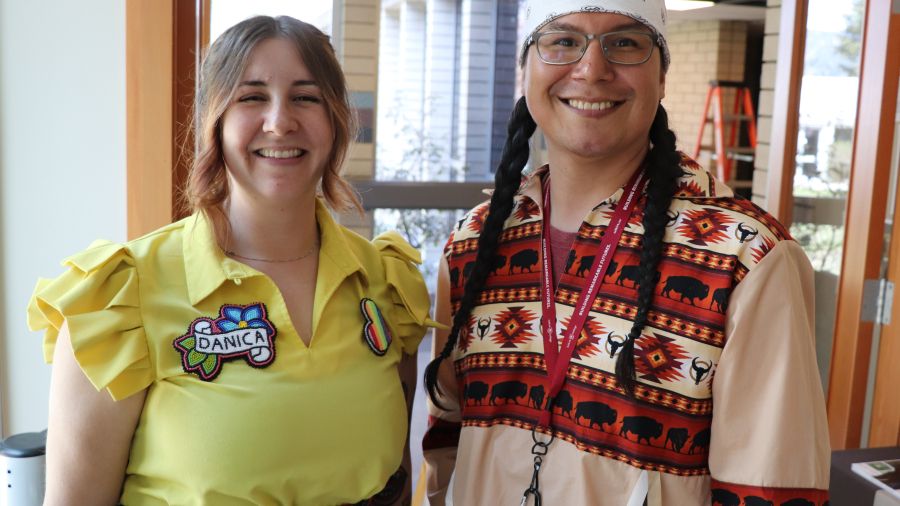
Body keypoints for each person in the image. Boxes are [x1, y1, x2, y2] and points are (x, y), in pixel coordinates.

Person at [422, 1, 830, 504]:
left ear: (661, 77)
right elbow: (447, 446)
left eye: (625, 42)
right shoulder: (474, 244)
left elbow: (772, 490)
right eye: (563, 41)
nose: (592, 69)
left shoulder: (746, 258)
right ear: (524, 69)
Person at [28, 15, 436, 505]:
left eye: (306, 97)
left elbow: (397, 482)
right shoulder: (119, 297)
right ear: (214, 121)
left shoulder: (385, 284)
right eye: (252, 96)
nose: (280, 121)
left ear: (336, 122)